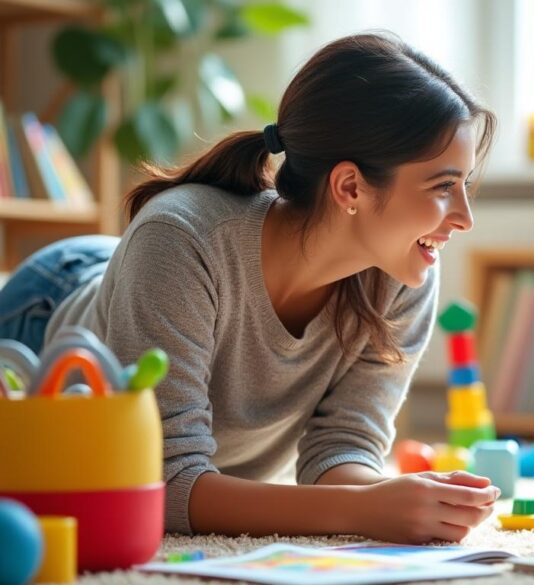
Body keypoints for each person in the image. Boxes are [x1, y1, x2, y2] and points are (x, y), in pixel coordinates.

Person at [0, 32, 500, 543]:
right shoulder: (181, 238)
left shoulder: (403, 271)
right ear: (350, 187)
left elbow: (341, 448)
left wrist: (401, 501)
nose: (465, 218)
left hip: (138, 278)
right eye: (442, 187)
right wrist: (359, 511)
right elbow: (164, 483)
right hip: (41, 326)